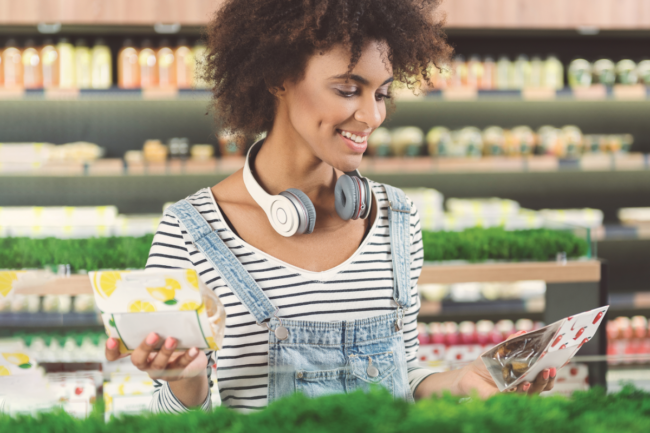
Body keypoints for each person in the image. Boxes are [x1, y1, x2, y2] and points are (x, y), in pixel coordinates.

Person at [105, 0, 556, 413]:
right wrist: (188, 384)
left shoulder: (397, 219)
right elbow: (171, 416)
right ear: (276, 77)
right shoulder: (189, 231)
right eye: (347, 89)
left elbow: (404, 376)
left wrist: (461, 382)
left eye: (381, 93)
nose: (373, 116)